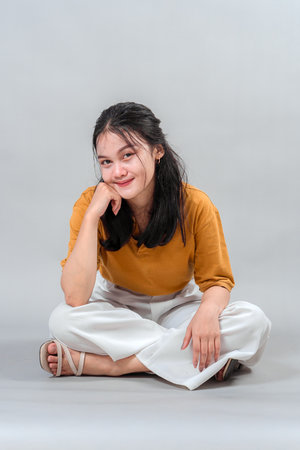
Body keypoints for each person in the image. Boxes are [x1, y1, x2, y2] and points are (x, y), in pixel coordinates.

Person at [39, 102, 271, 390]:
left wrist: (207, 315)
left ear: (157, 150)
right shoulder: (90, 204)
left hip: (179, 304)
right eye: (106, 162)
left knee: (254, 322)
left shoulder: (196, 205)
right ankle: (196, 357)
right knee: (61, 321)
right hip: (118, 304)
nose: (118, 171)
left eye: (128, 155)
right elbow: (75, 297)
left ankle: (114, 365)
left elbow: (217, 282)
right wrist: (91, 217)